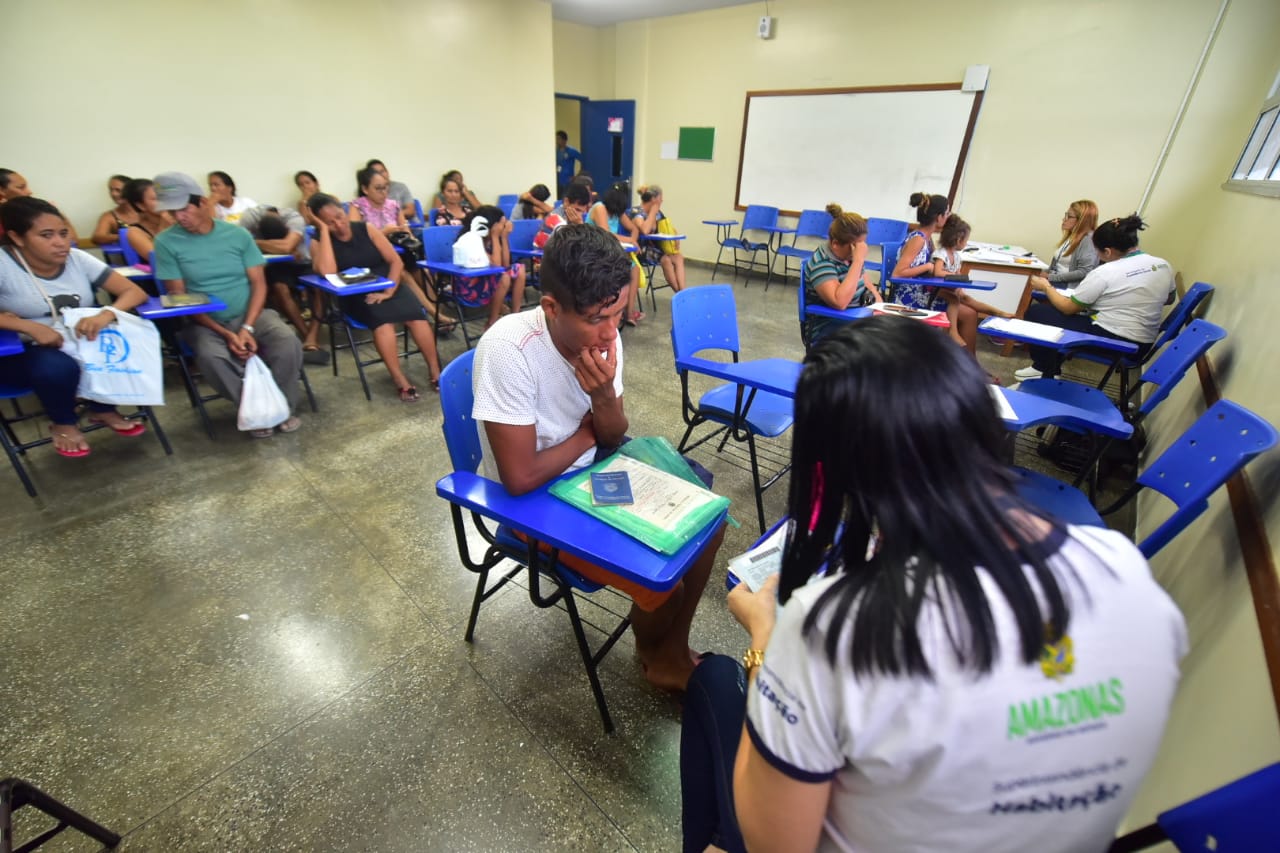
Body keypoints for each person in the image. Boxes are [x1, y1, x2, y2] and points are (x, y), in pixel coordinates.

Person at [679, 316, 1187, 853]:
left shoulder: (831, 629)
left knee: (715, 678)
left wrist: (765, 642)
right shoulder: (1127, 571)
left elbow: (776, 845)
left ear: (840, 469)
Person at [472, 223, 724, 691]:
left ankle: (670, 651)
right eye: (596, 319)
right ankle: (657, 655)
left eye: (619, 312)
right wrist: (587, 433)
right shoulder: (508, 349)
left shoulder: (605, 332)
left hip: (593, 468)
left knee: (710, 521)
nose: (611, 332)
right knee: (662, 580)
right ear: (552, 308)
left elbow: (613, 433)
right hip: (535, 502)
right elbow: (520, 477)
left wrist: (604, 396)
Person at [151, 171, 304, 437]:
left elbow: (258, 284)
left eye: (184, 209)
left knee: (287, 340)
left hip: (250, 313)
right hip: (205, 322)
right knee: (213, 357)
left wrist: (247, 327)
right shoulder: (166, 242)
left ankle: (282, 408)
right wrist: (226, 333)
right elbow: (181, 299)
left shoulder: (237, 235)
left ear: (202, 202)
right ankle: (256, 411)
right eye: (172, 212)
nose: (179, 217)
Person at [0, 197, 150, 456]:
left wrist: (106, 314)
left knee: (120, 347)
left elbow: (134, 292)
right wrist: (25, 325)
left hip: (79, 340)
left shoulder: (77, 258)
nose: (61, 242)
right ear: (17, 237)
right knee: (56, 366)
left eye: (63, 233)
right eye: (46, 235)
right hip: (25, 352)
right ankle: (63, 422)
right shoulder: (4, 264)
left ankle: (102, 408)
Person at [308, 192, 441, 400]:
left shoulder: (366, 229)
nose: (339, 225)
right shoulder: (319, 242)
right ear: (319, 223)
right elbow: (328, 272)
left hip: (388, 285)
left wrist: (388, 291)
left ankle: (435, 370)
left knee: (417, 317)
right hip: (356, 295)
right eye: (329, 223)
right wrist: (324, 232)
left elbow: (395, 262)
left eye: (340, 217)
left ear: (344, 211)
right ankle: (400, 380)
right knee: (384, 324)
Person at [1015, 214, 1175, 381]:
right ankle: (1050, 365)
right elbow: (1169, 299)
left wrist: (1046, 287)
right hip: (1143, 344)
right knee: (1064, 317)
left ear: (1108, 251)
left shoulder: (1106, 272)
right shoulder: (1162, 264)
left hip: (1118, 343)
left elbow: (1068, 308)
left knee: (1038, 313)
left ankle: (1043, 369)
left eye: (1097, 252)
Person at [238, 204, 327, 362]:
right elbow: (240, 245)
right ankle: (306, 335)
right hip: (276, 265)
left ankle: (312, 336)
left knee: (320, 287)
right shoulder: (249, 217)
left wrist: (255, 243)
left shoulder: (293, 217)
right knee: (279, 289)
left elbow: (286, 246)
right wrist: (276, 246)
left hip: (302, 262)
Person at [932, 214, 1013, 353]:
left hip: (949, 288)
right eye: (966, 240)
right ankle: (953, 331)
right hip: (936, 290)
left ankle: (996, 312)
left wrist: (959, 282)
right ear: (958, 239)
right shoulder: (942, 253)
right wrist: (954, 276)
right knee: (954, 299)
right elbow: (937, 272)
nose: (966, 243)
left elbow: (957, 273)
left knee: (966, 298)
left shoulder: (957, 256)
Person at [800, 202, 876, 346]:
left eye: (862, 244)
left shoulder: (850, 258)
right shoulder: (822, 263)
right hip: (827, 327)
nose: (860, 250)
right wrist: (858, 261)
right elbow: (839, 302)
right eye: (855, 246)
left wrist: (882, 310)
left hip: (855, 320)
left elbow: (869, 286)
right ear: (835, 243)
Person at [452, 205, 526, 330]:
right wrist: (496, 237)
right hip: (471, 284)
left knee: (520, 269)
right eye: (501, 224)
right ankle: (492, 321)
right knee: (504, 277)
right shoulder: (473, 239)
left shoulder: (491, 240)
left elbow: (505, 264)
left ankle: (515, 314)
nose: (504, 226)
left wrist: (504, 237)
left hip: (488, 278)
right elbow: (496, 266)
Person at [589, 182, 643, 325]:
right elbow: (606, 233)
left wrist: (633, 240)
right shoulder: (600, 208)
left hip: (611, 251)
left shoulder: (617, 211)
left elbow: (634, 228)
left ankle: (629, 313)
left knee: (634, 269)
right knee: (622, 269)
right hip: (594, 252)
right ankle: (616, 310)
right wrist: (630, 240)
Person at [890, 190, 949, 309]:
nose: (948, 216)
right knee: (960, 309)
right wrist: (928, 267)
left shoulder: (928, 239)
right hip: (908, 298)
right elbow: (897, 274)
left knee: (959, 302)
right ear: (939, 217)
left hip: (923, 292)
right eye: (947, 213)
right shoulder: (918, 239)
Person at [631, 185, 687, 293]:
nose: (662, 201)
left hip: (658, 247)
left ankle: (683, 292)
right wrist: (652, 212)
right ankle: (680, 294)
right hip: (641, 249)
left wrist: (675, 237)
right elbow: (644, 230)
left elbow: (667, 226)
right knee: (666, 260)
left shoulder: (658, 213)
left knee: (679, 257)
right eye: (660, 198)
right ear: (654, 199)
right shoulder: (637, 212)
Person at [0, 170, 81, 244]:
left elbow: (72, 243)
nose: (29, 192)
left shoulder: (31, 211)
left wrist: (55, 213)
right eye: (21, 187)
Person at [1044, 199, 1101, 286]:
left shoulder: (1088, 240)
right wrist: (1040, 273)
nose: (1064, 219)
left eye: (1069, 216)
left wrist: (1050, 277)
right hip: (1056, 281)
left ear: (1082, 220)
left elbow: (1084, 272)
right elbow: (1054, 267)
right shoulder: (1072, 236)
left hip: (1068, 287)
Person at [120, 178, 174, 265]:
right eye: (156, 198)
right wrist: (163, 229)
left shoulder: (178, 220)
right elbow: (159, 260)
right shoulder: (134, 232)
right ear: (141, 205)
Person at [91, 175, 139, 246]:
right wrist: (128, 236)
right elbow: (97, 237)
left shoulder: (147, 211)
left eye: (118, 190)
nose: (113, 194)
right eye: (111, 190)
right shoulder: (109, 216)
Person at [555, 131, 581, 198]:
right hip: (557, 181)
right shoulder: (556, 151)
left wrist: (577, 176)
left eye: (558, 139)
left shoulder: (571, 151)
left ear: (564, 140)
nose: (557, 141)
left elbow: (584, 160)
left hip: (568, 181)